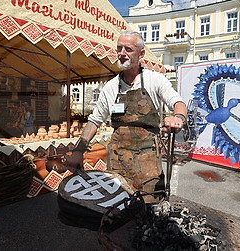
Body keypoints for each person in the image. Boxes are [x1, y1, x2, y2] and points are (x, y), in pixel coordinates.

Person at [66, 31, 187, 203]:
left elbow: (178, 102)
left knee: (150, 208)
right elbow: (94, 121)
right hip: (117, 161)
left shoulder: (155, 80)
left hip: (148, 162)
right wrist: (78, 151)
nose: (122, 53)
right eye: (119, 48)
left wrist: (178, 118)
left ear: (141, 54)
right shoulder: (110, 87)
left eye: (128, 49)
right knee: (118, 207)